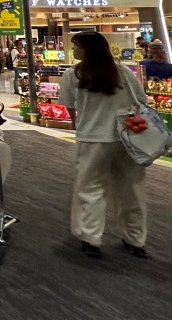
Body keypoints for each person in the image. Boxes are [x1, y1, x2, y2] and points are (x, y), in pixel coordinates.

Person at [61, 31, 152, 259]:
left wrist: (79, 125)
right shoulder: (122, 72)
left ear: (88, 49)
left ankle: (90, 238)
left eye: (76, 46)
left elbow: (71, 109)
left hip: (92, 139)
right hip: (127, 139)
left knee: (90, 189)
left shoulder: (73, 75)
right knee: (131, 189)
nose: (73, 50)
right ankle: (135, 240)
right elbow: (141, 100)